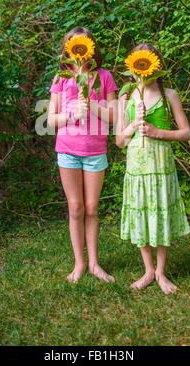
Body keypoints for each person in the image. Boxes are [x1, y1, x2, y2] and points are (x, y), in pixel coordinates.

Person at [116, 43, 190, 294]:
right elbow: (119, 141)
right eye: (138, 63)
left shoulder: (168, 94)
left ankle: (161, 271)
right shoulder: (126, 96)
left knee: (159, 212)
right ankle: (148, 270)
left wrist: (159, 132)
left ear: (155, 65)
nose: (142, 69)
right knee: (141, 213)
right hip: (137, 167)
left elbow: (186, 133)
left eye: (147, 63)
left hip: (160, 166)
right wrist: (133, 125)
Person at [48, 26, 118, 283]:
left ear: (90, 46)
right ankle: (79, 264)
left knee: (91, 207)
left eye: (82, 43)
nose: (78, 48)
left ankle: (95, 264)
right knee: (75, 207)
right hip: (67, 150)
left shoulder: (104, 76)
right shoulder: (61, 78)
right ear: (67, 48)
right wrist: (70, 115)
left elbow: (114, 116)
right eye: (72, 44)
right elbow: (50, 120)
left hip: (94, 150)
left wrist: (93, 107)